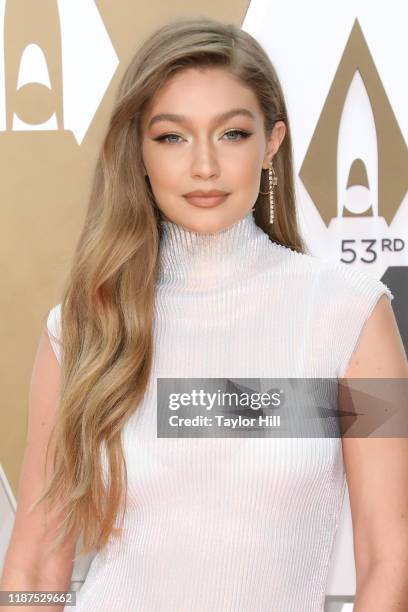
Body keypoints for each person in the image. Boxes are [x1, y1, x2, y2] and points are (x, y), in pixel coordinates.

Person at [2, 16, 408, 612]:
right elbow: (36, 557)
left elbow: (389, 557)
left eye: (232, 134)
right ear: (137, 151)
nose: (204, 167)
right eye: (171, 137)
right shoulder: (85, 327)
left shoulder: (351, 316)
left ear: (272, 143)